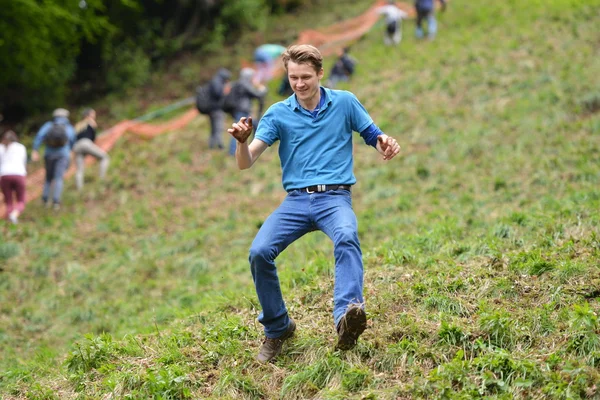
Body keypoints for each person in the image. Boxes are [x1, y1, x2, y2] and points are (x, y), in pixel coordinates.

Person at [227, 44, 401, 363]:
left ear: (321, 73)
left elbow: (374, 135)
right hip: (295, 202)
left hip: (334, 197)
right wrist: (240, 143)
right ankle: (278, 328)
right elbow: (245, 162)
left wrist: (385, 143)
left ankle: (346, 317)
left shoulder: (345, 102)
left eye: (306, 77)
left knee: (347, 237)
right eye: (293, 78)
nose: (299, 84)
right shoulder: (278, 113)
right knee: (258, 252)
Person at [31, 108, 76, 210]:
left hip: (49, 154)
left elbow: (39, 137)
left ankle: (45, 200)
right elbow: (72, 140)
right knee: (59, 178)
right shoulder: (68, 127)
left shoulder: (48, 125)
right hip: (63, 155)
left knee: (48, 178)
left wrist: (35, 150)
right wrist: (71, 151)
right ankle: (56, 202)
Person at [224, 68, 267, 156]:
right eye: (252, 76)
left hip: (239, 110)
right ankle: (233, 152)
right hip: (242, 111)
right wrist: (262, 89)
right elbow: (256, 94)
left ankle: (252, 148)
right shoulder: (244, 84)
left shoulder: (238, 83)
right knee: (239, 130)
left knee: (253, 126)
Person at [72, 108, 110, 190]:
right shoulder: (91, 122)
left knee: (79, 169)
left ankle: (79, 189)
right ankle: (102, 179)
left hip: (77, 146)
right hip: (86, 143)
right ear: (88, 115)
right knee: (105, 157)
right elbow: (93, 137)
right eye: (93, 114)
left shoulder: (78, 125)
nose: (94, 116)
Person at [0, 130, 27, 224]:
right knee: (21, 200)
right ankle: (14, 215)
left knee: (8, 201)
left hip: (4, 175)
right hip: (19, 174)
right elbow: (24, 162)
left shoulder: (1, 148)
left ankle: (9, 221)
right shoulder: (21, 147)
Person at [207, 68, 232, 149]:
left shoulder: (214, 80)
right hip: (216, 109)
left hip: (211, 108)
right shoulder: (217, 82)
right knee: (218, 127)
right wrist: (226, 90)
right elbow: (219, 94)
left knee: (213, 128)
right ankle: (219, 145)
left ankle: (211, 145)